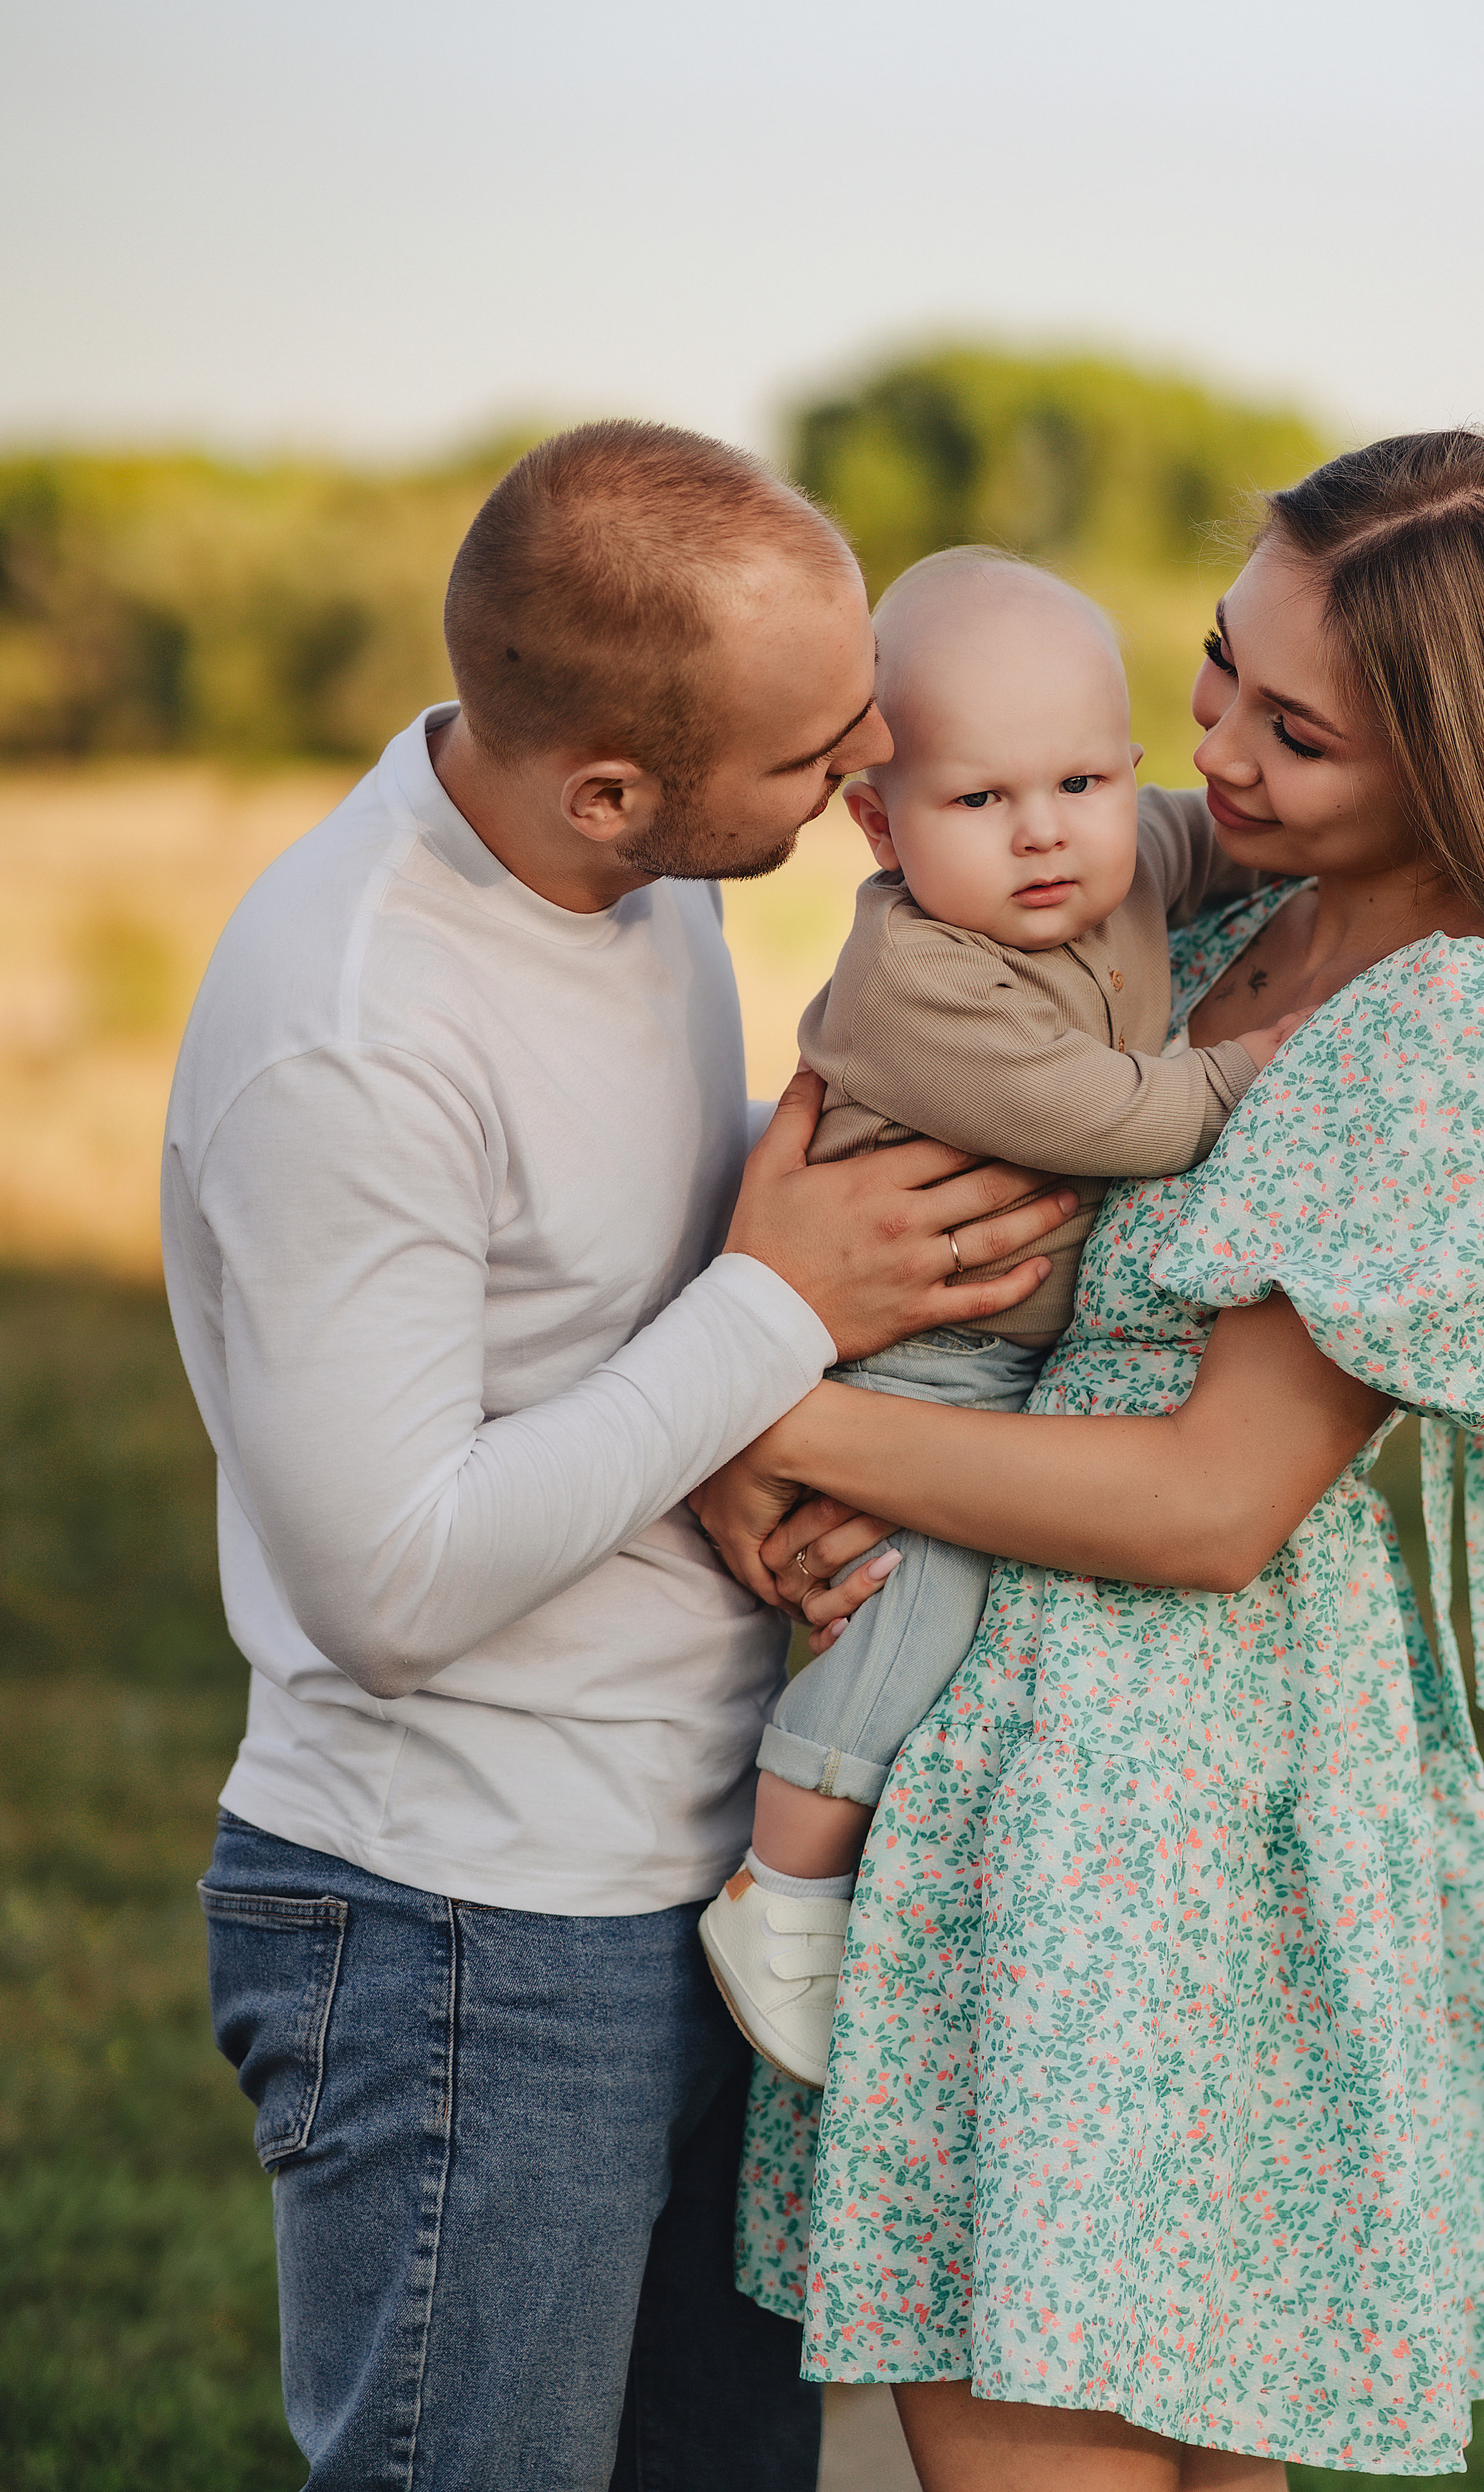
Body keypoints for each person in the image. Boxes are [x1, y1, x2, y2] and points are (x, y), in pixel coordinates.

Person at [695, 431, 1484, 2488]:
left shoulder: (1457, 1030)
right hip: (1036, 1807)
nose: (1210, 744)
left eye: (1293, 729)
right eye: (1219, 665)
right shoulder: (1214, 934)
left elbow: (1216, 1503)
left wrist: (758, 1399)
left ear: (1458, 762)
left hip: (1171, 1853)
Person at [161, 422, 1075, 2492]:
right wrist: (780, 1316)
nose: (867, 777)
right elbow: (384, 1586)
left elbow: (608, 1312)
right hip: (464, 1921)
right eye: (812, 756)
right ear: (609, 786)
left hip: (706, 1878)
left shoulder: (642, 883)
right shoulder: (358, 1028)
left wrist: (752, 1407)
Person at [700, 546, 1296, 2085]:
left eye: (1083, 781)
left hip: (989, 1335)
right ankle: (787, 1878)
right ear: (876, 821)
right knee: (916, 1591)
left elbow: (1223, 852)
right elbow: (1120, 1117)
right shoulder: (919, 972)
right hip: (913, 1339)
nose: (1043, 832)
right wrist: (1254, 1060)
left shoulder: (1111, 858)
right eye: (977, 801)